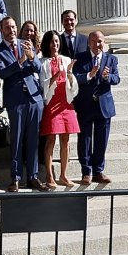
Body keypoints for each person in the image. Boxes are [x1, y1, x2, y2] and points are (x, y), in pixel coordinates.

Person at [0, 16, 46, 192]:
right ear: (2, 30)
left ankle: (33, 176)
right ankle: (15, 178)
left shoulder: (26, 43)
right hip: (15, 99)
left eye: (14, 27)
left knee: (33, 139)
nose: (12, 30)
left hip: (34, 98)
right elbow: (2, 72)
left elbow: (38, 68)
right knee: (16, 139)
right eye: (7, 28)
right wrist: (21, 61)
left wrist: (31, 57)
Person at [72, 30, 120, 185]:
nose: (97, 44)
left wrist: (107, 77)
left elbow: (116, 78)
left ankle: (98, 171)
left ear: (103, 42)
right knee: (85, 139)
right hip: (85, 105)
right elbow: (74, 78)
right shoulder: (80, 58)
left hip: (103, 106)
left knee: (101, 140)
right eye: (93, 41)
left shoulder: (111, 59)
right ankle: (86, 172)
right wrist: (89, 76)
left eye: (99, 41)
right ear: (88, 43)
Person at [38, 31, 79, 189]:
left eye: (57, 41)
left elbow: (72, 85)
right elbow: (42, 84)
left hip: (65, 104)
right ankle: (49, 176)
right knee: (50, 140)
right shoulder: (42, 62)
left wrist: (69, 74)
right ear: (47, 44)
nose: (55, 44)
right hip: (51, 103)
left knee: (66, 140)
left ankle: (64, 175)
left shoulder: (66, 59)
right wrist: (53, 78)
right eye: (52, 42)